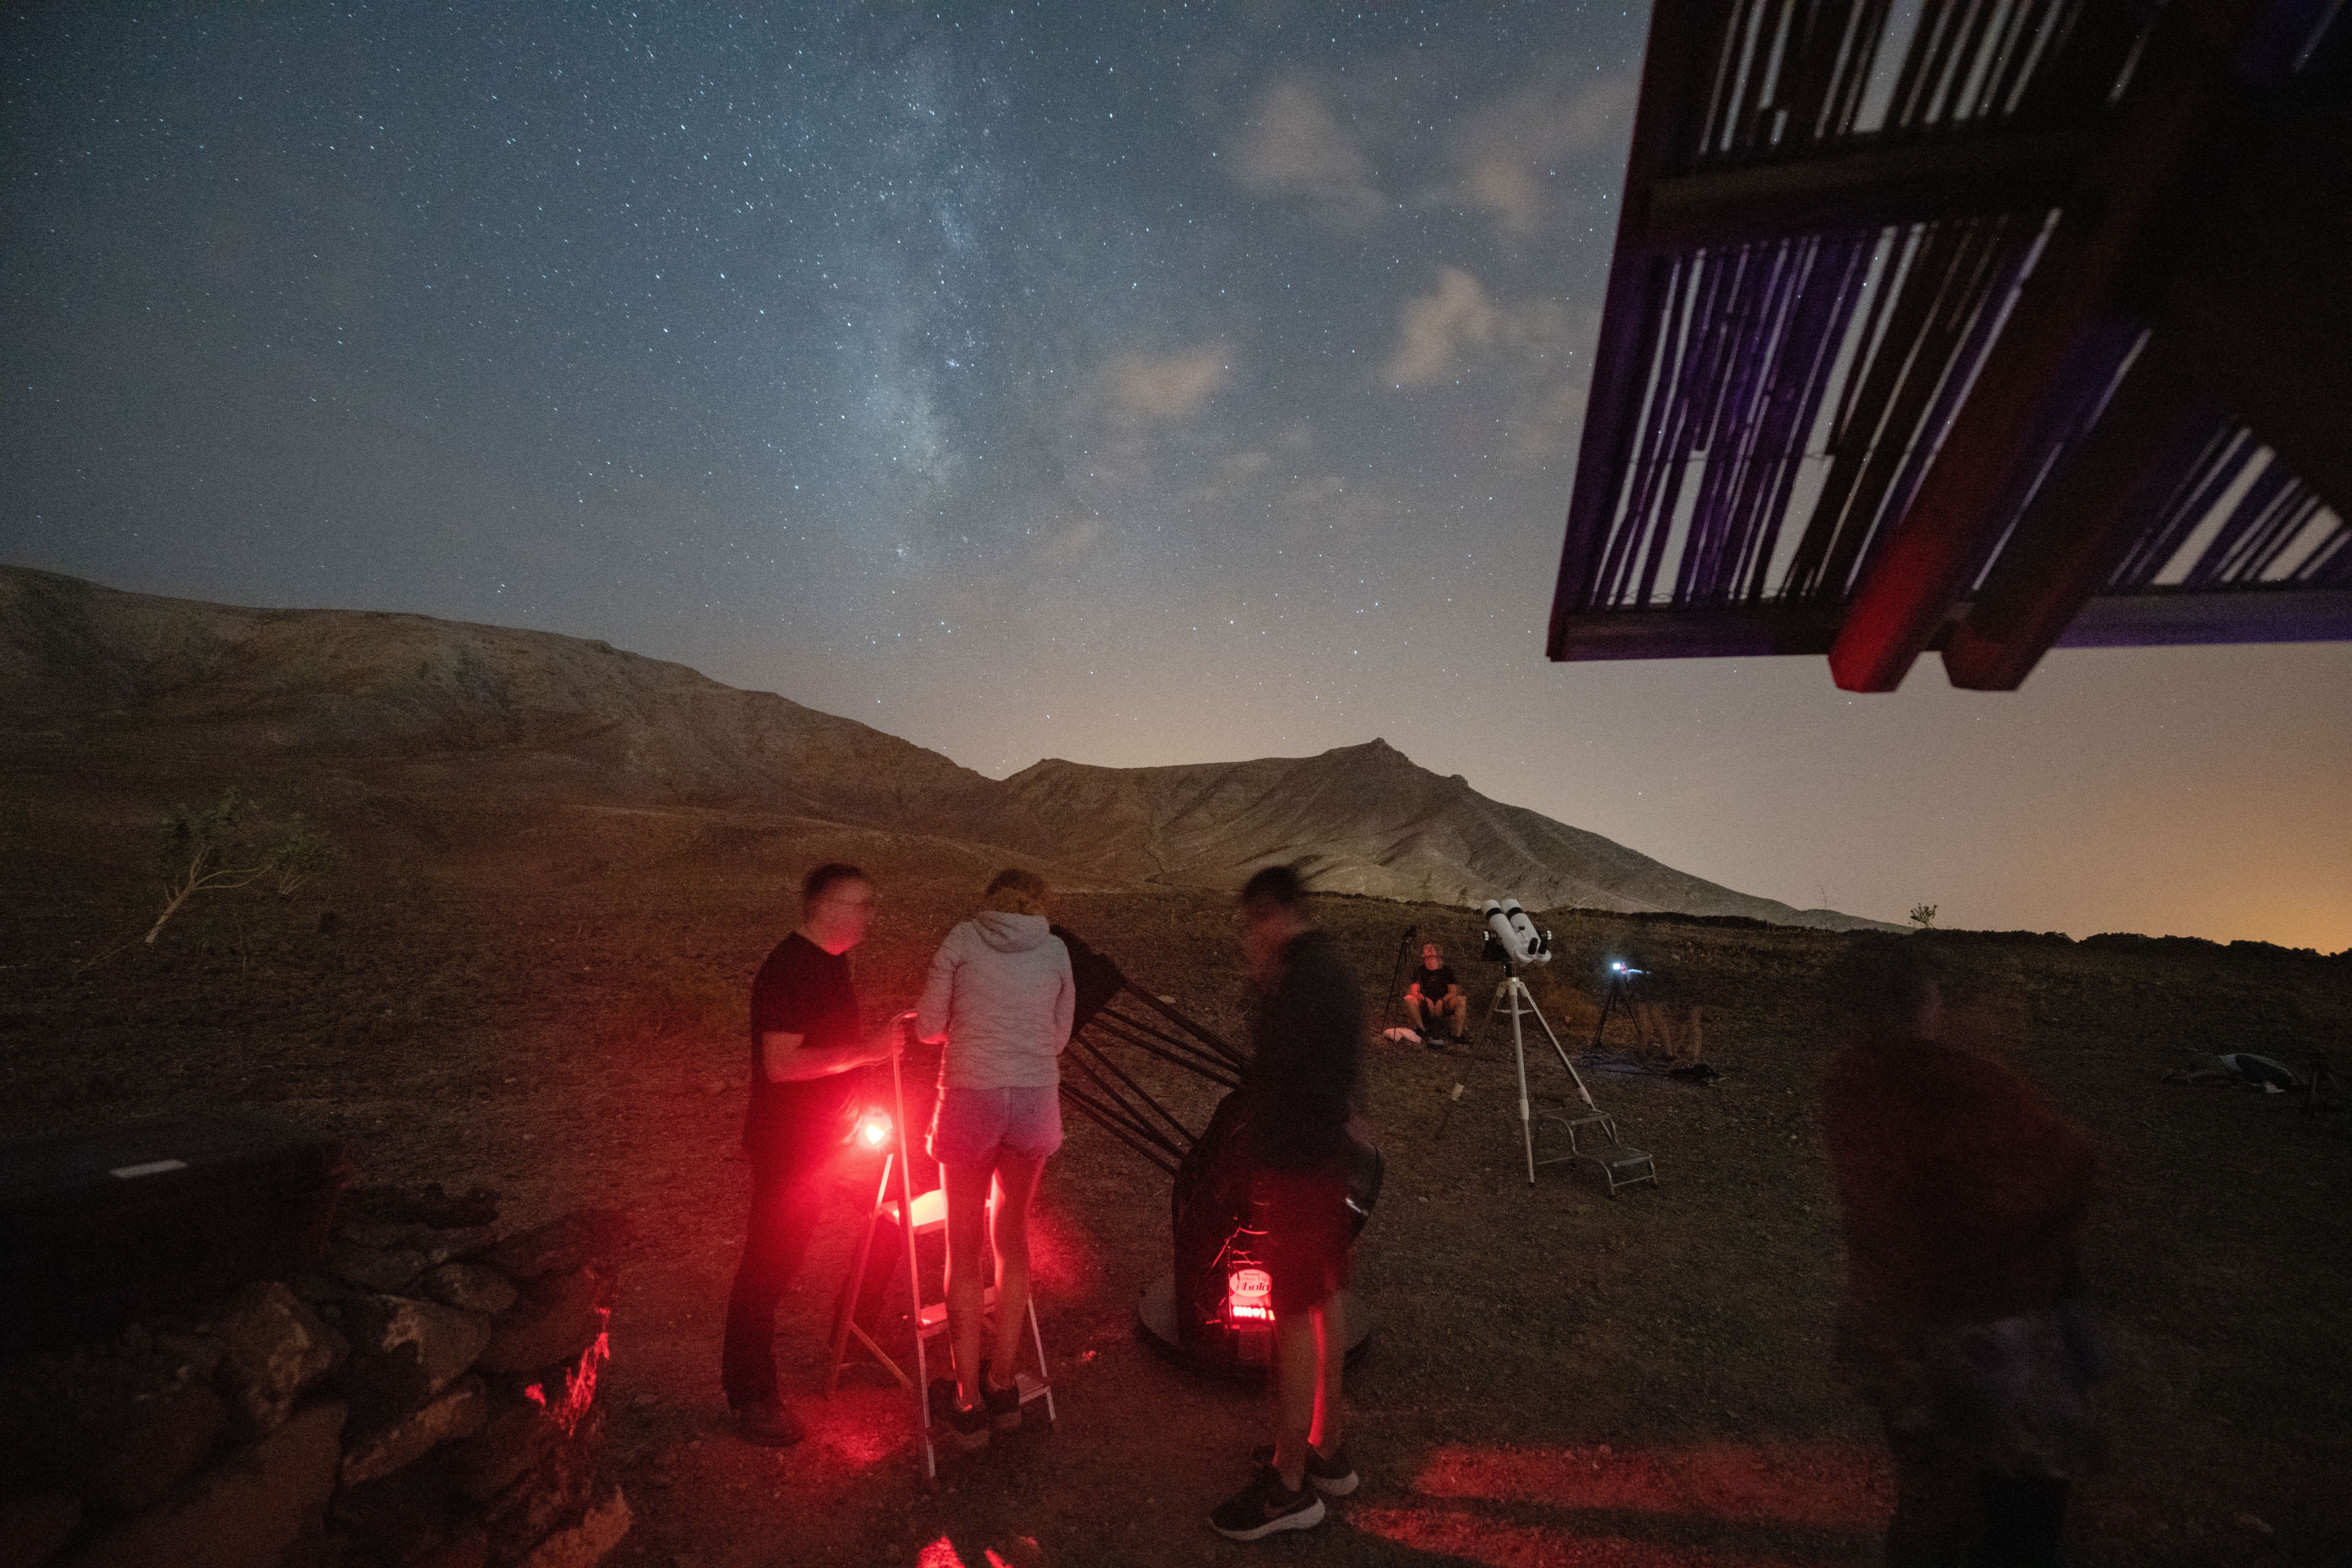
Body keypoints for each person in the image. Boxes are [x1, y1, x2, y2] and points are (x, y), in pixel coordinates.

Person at [1819, 935, 2101, 1567]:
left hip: (1890, 1326)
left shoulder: (1851, 1079)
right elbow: (2065, 1169)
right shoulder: (1963, 1086)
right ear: (1926, 1001)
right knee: (2021, 1511)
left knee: (1930, 1501)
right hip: (1986, 1336)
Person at [1210, 865, 1366, 1541]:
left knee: (1293, 1313)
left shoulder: (1297, 980)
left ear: (1270, 915)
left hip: (1301, 1161)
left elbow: (1280, 1074)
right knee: (1324, 1299)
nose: (1248, 939)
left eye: (1251, 926)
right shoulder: (1329, 966)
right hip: (1326, 1155)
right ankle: (1325, 1447)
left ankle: (1288, 1485)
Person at [722, 862, 900, 1446]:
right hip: (791, 1146)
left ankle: (850, 1341)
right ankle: (752, 1397)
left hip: (839, 1138)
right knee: (768, 1268)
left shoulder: (831, 962)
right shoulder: (790, 968)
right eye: (861, 903)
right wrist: (864, 1054)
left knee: (901, 1208)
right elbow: (781, 1064)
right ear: (827, 906)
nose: (871, 915)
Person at [913, 868, 1075, 1451]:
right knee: (1013, 1237)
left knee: (963, 1247)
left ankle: (967, 1402)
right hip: (1034, 1101)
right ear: (1040, 905)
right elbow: (1058, 1037)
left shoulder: (962, 938)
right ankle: (1004, 1384)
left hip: (970, 1099)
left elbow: (930, 1028)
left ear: (990, 903)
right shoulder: (1055, 948)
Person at [1401, 941, 1467, 1044]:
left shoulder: (1446, 970)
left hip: (1444, 1005)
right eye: (1426, 948)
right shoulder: (1420, 970)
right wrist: (1427, 1000)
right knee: (1409, 999)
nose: (1430, 949)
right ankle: (1422, 1030)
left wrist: (1441, 1001)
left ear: (1437, 952)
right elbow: (1415, 991)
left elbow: (1453, 992)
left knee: (1461, 1000)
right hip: (1425, 1005)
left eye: (1432, 948)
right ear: (1423, 955)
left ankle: (1458, 1036)